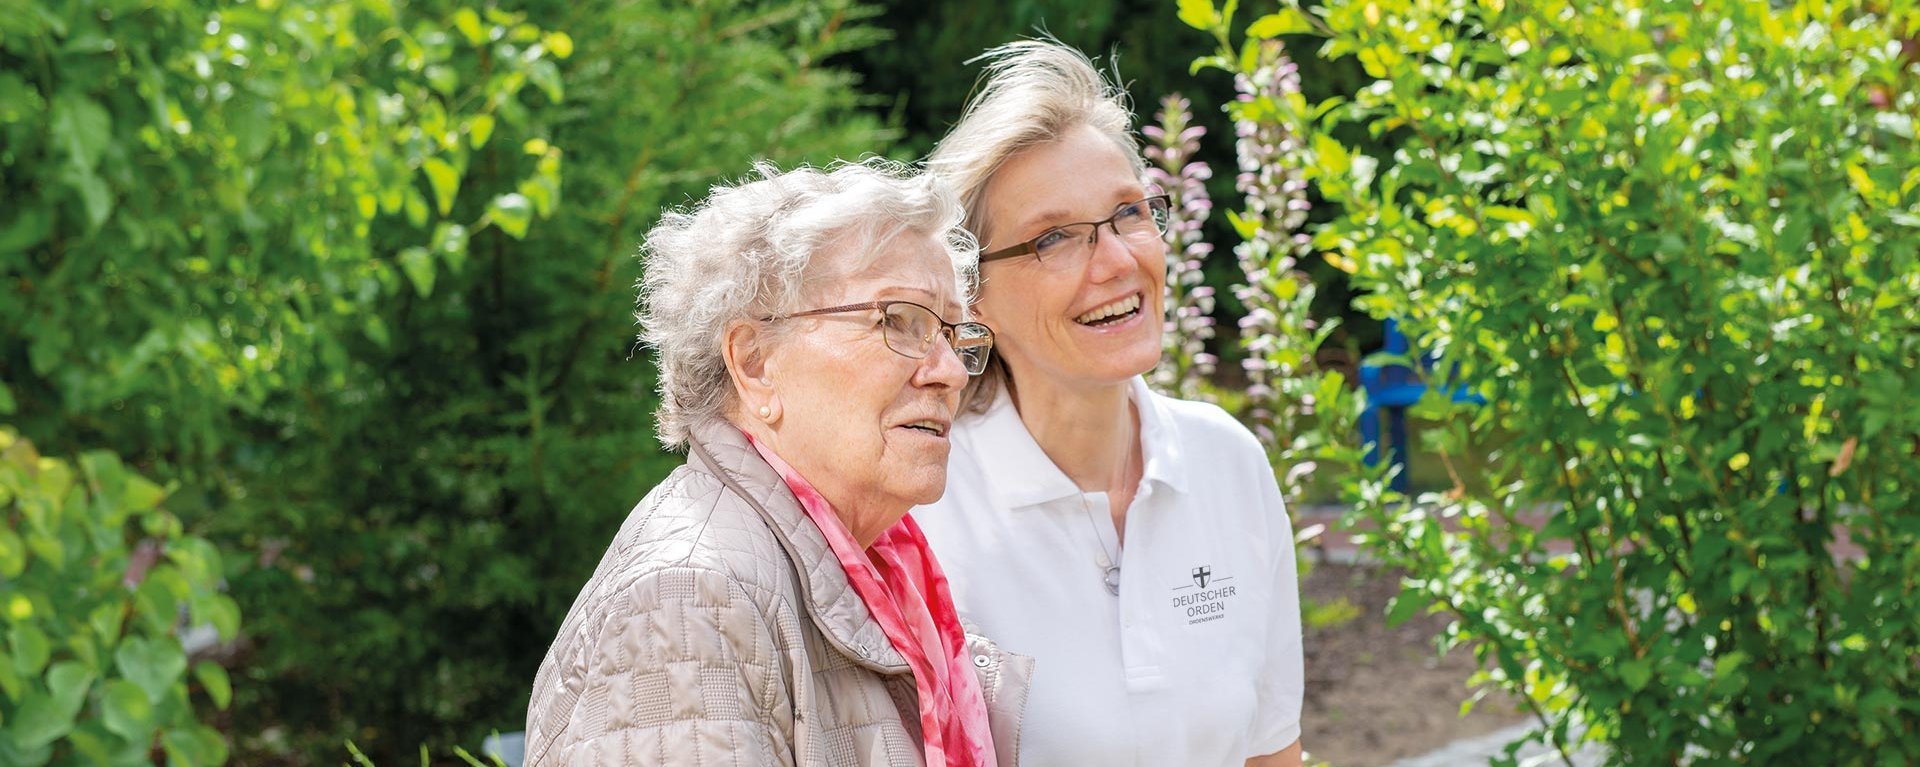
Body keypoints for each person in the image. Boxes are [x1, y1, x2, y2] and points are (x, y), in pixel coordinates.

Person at [525, 160, 1028, 767]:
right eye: (899, 321)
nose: (949, 372)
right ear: (755, 362)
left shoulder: (881, 574)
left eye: (955, 336)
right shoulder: (690, 598)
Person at [915, 40, 1305, 766]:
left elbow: (1271, 752)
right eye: (1054, 238)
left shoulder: (1227, 461)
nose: (1119, 261)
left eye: (1130, 212)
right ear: (971, 292)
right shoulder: (925, 506)